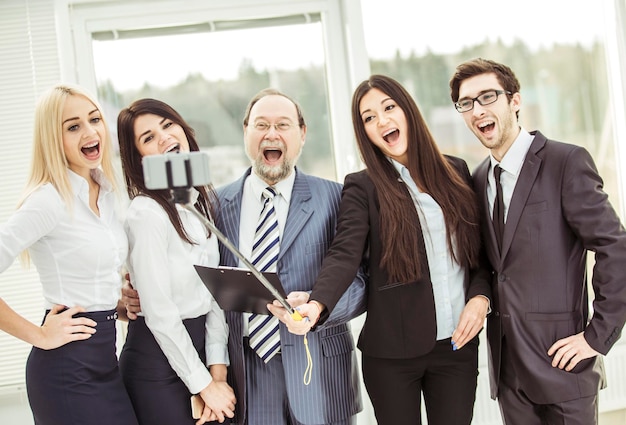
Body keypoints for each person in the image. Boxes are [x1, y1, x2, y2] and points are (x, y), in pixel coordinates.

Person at [123, 88, 367, 425]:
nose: (272, 133)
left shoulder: (335, 197)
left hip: (321, 371)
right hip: (249, 373)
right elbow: (202, 286)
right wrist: (133, 294)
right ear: (246, 133)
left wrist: (319, 308)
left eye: (283, 125)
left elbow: (360, 280)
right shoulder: (212, 206)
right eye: (261, 125)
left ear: (302, 134)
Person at [278, 74, 491, 425]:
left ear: (407, 111)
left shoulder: (456, 171)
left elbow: (478, 255)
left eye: (389, 107)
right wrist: (317, 304)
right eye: (369, 117)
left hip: (456, 347)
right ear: (366, 132)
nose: (382, 121)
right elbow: (343, 254)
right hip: (392, 356)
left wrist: (480, 299)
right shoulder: (362, 187)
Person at [448, 57, 626, 425]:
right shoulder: (478, 179)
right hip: (509, 373)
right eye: (467, 103)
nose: (477, 110)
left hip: (565, 365)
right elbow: (491, 264)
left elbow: (615, 249)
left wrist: (596, 336)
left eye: (488, 97)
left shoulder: (566, 162)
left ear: (514, 100)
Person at [0, 84, 138, 425]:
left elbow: (89, 275)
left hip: (106, 361)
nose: (90, 132)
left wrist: (117, 306)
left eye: (94, 120)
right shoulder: (47, 200)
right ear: (52, 138)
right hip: (65, 371)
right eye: (73, 126)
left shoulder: (105, 192)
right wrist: (40, 334)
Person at [117, 98, 236, 425]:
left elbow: (214, 294)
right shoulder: (146, 214)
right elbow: (160, 314)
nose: (165, 137)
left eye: (168, 125)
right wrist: (203, 385)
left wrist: (218, 372)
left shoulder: (201, 204)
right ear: (139, 159)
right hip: (156, 366)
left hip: (198, 358)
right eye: (148, 138)